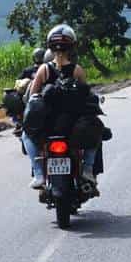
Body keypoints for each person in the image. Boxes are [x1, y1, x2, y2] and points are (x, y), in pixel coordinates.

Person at [25, 25, 107, 193]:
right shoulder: (77, 70)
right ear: (72, 47)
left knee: (26, 134)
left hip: (47, 126)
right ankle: (88, 170)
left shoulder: (44, 69)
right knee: (96, 131)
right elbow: (87, 96)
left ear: (50, 47)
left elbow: (32, 97)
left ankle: (39, 173)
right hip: (72, 125)